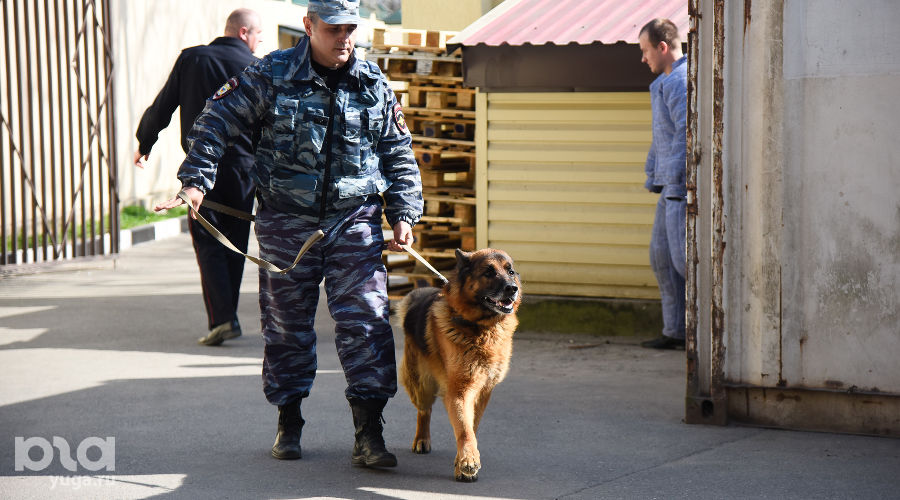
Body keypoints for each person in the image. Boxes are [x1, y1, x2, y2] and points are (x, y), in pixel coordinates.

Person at [154, 0, 422, 467]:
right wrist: (196, 180)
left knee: (367, 321)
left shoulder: (372, 82)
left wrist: (403, 211)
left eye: (350, 29)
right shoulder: (270, 74)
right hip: (285, 221)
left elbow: (398, 150)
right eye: (334, 28)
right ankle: (289, 420)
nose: (344, 38)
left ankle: (368, 432)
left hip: (353, 220)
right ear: (309, 25)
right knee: (286, 327)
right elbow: (216, 121)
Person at [134, 8, 263, 346]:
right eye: (257, 37)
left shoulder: (192, 59)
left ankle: (223, 318)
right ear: (244, 33)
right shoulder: (256, 66)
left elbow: (164, 105)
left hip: (201, 168)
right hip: (245, 170)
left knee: (208, 240)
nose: (257, 43)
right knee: (235, 242)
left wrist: (144, 141)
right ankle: (227, 315)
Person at [638, 19, 688, 350]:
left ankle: (700, 334)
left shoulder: (681, 81)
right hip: (666, 186)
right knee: (661, 257)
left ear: (663, 48)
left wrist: (676, 181)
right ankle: (675, 332)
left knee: (685, 262)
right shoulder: (662, 84)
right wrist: (653, 175)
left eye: (645, 51)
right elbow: (662, 137)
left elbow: (687, 134)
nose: (643, 59)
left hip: (680, 189)